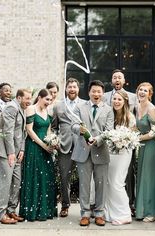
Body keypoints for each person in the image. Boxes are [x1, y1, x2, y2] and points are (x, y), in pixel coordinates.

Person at [71, 80, 114, 227]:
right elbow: (73, 125)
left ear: (102, 93)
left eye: (99, 91)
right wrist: (79, 130)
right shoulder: (79, 107)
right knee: (84, 184)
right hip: (82, 151)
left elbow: (109, 130)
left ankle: (99, 213)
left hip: (100, 151)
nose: (96, 94)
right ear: (89, 92)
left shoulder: (108, 109)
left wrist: (98, 139)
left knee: (101, 184)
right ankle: (85, 213)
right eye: (93, 91)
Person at [0, 89, 32, 224]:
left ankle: (11, 210)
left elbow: (22, 132)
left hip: (16, 153)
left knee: (16, 182)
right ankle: (0, 215)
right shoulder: (11, 107)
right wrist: (10, 153)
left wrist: (21, 149)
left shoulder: (22, 108)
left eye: (30, 98)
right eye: (27, 98)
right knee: (4, 184)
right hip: (4, 153)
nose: (30, 101)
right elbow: (8, 132)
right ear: (19, 98)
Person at [20, 89, 57, 221]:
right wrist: (43, 145)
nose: (49, 102)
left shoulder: (48, 111)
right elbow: (29, 130)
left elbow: (48, 130)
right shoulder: (31, 109)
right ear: (40, 97)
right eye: (47, 99)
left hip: (46, 147)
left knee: (45, 177)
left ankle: (45, 210)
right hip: (34, 147)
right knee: (34, 177)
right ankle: (32, 211)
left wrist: (52, 142)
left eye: (51, 100)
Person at [104, 69, 137, 215]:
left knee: (118, 183)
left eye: (119, 100)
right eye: (114, 99)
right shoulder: (109, 115)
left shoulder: (130, 117)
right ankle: (111, 213)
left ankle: (124, 213)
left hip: (124, 153)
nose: (116, 101)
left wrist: (122, 140)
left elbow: (133, 134)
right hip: (110, 153)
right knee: (110, 183)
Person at [52, 78, 85, 218]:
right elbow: (54, 127)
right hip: (64, 146)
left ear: (78, 89)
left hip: (82, 145)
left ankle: (87, 207)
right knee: (64, 177)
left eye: (74, 87)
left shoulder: (85, 104)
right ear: (66, 89)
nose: (72, 89)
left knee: (85, 177)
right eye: (69, 87)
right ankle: (65, 205)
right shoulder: (58, 105)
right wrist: (55, 139)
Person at [135, 82, 155, 222]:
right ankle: (142, 209)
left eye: (145, 90)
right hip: (142, 145)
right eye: (140, 89)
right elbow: (138, 127)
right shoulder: (137, 106)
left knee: (149, 177)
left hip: (151, 145)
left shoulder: (151, 109)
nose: (142, 92)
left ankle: (152, 212)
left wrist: (137, 138)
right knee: (142, 177)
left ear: (150, 94)